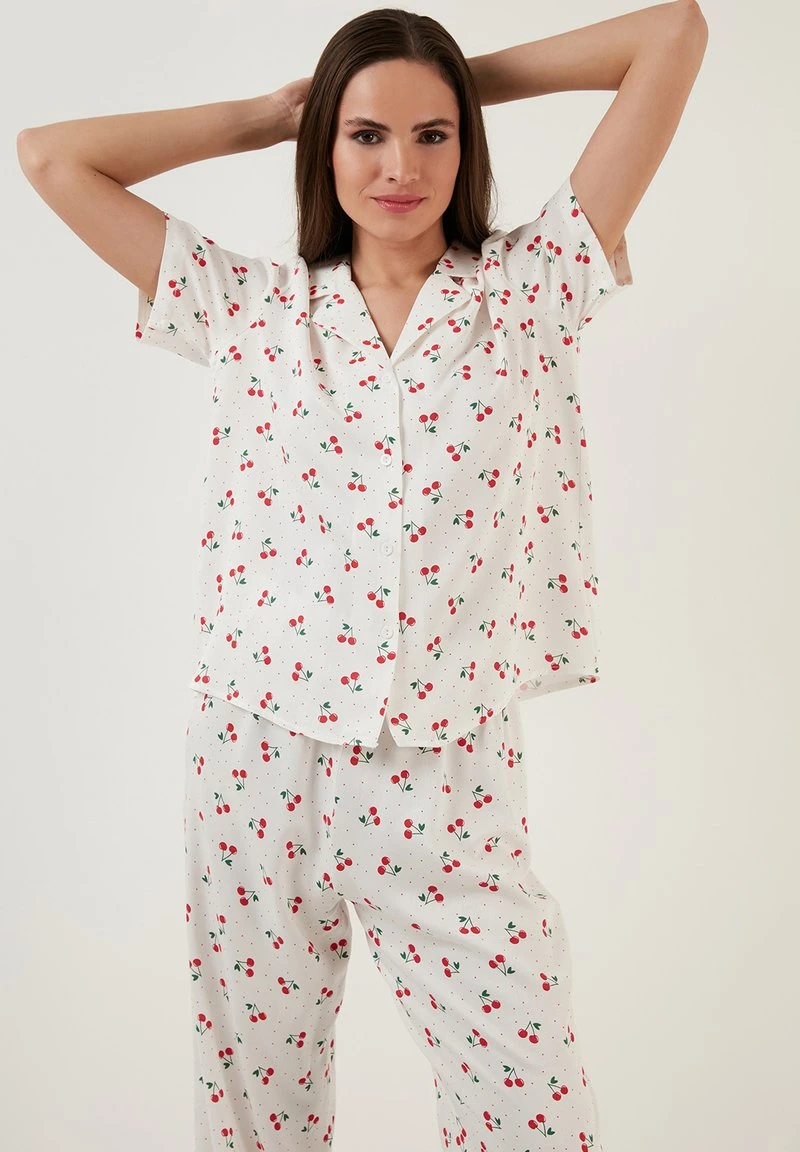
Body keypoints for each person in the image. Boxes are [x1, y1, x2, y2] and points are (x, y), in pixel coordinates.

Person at [17, 5, 708, 1149]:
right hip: (255, 760)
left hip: (446, 773)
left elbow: (670, 33)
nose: (399, 167)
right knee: (258, 1118)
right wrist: (270, 113)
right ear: (324, 147)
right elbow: (51, 156)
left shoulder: (530, 290)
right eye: (365, 134)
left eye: (433, 135)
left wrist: (457, 80)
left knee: (528, 1104)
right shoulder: (248, 309)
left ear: (465, 144)